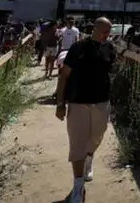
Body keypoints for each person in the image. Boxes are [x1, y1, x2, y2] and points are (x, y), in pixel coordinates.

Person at [54, 17, 116, 203]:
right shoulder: (78, 48)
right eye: (104, 31)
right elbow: (64, 76)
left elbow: (110, 71)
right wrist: (60, 103)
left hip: (101, 102)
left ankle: (89, 157)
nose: (107, 34)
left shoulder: (109, 48)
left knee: (97, 137)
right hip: (78, 102)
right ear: (95, 29)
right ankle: (78, 186)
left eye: (109, 31)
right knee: (77, 144)